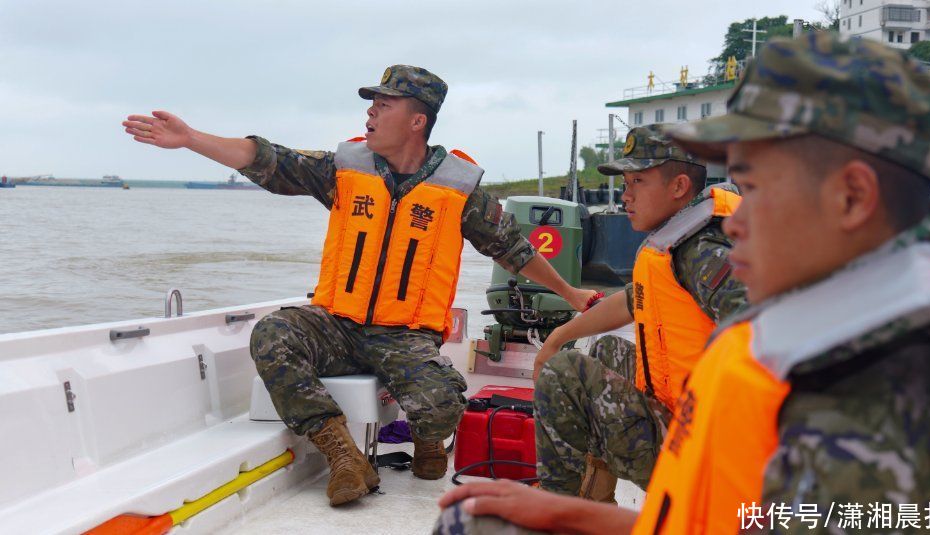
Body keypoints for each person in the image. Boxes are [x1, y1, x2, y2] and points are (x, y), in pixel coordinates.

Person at [434, 32, 930, 535]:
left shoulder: (884, 416)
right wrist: (577, 519)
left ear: (852, 197)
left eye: (757, 188)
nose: (738, 220)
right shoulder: (827, 333)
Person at [122, 64, 596, 506]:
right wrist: (189, 139)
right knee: (272, 334)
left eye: (384, 105)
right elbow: (267, 159)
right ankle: (342, 454)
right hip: (336, 323)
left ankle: (431, 441)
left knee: (439, 404)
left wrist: (572, 296)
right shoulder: (345, 168)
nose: (370, 112)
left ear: (417, 120)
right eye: (372, 103)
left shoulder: (459, 188)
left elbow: (513, 249)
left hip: (406, 335)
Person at [531, 126, 746, 502]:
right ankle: (594, 498)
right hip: (680, 414)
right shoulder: (678, 240)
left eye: (638, 182)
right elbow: (633, 299)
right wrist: (557, 336)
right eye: (626, 182)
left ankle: (555, 508)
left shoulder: (701, 251)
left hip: (702, 453)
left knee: (563, 374)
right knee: (606, 351)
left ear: (679, 187)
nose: (626, 196)